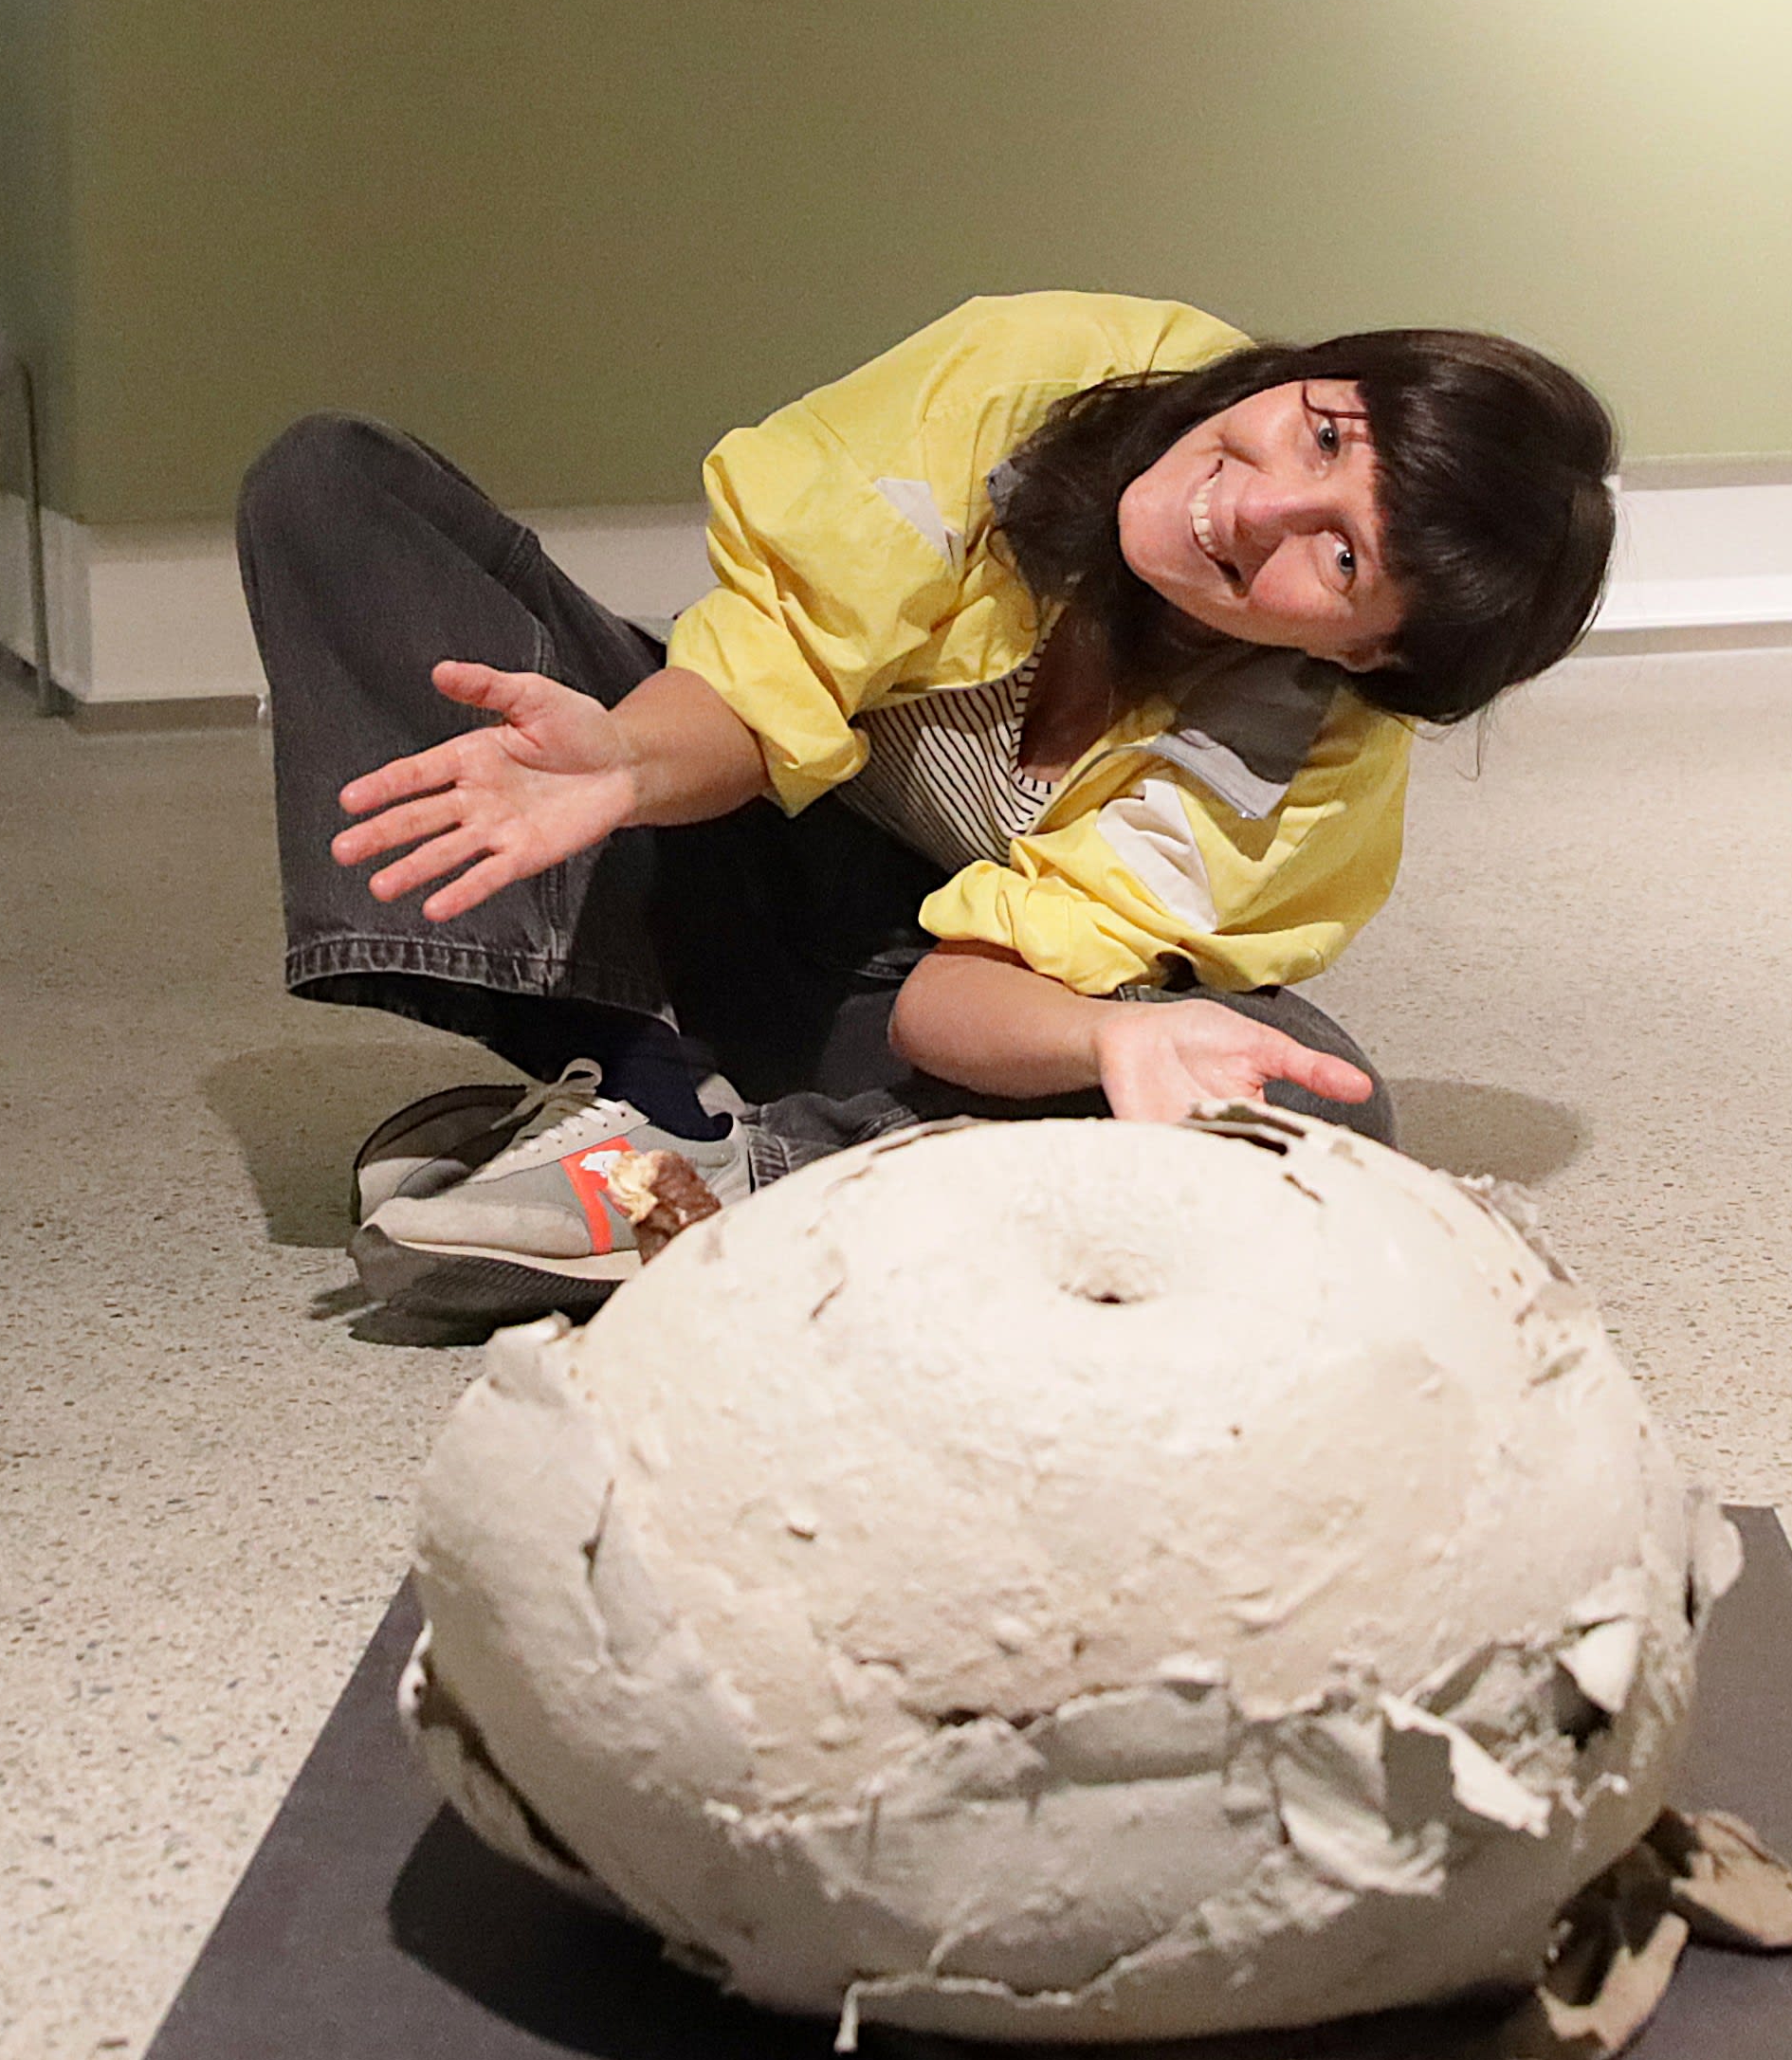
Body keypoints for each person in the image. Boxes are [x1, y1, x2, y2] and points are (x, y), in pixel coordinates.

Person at [234, 289, 1617, 1319]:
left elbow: (951, 999)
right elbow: (768, 679)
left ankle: (720, 1173)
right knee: (336, 481)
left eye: (1341, 554)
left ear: (1367, 656)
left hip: (899, 999)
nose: (1259, 508)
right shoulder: (1040, 376)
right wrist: (623, 763)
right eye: (1320, 433)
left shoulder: (1306, 769)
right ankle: (635, 1082)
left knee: (1303, 1097)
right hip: (694, 847)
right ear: (1314, 370)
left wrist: (1106, 1037)